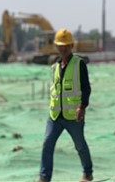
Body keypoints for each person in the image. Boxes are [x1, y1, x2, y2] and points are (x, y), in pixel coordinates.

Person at [39, 29, 93, 182]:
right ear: (56, 46)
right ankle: (44, 177)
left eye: (66, 46)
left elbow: (86, 87)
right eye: (60, 46)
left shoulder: (79, 64)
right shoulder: (54, 67)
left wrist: (82, 107)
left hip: (73, 116)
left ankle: (87, 174)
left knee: (80, 145)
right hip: (55, 115)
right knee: (47, 144)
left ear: (71, 46)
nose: (63, 49)